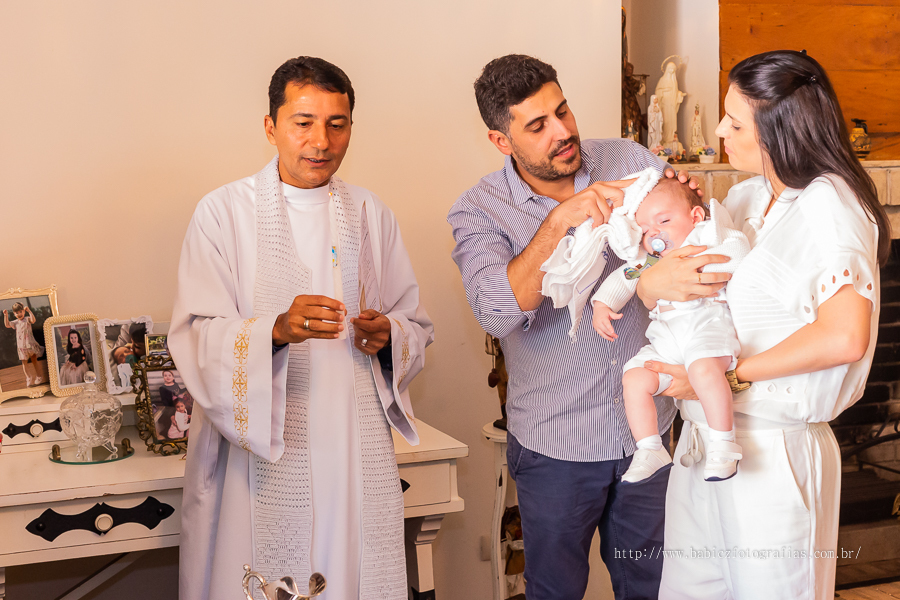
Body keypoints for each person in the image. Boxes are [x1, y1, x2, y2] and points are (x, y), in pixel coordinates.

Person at [168, 56, 433, 600]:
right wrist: (275, 331)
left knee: (348, 574)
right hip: (261, 449)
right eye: (303, 122)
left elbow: (415, 321)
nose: (321, 141)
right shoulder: (223, 213)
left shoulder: (370, 214)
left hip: (351, 444)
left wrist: (388, 337)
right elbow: (196, 334)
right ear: (271, 126)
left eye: (337, 124)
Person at [635, 50, 891, 599]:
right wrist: (652, 271)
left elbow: (846, 335)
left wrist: (724, 378)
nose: (722, 132)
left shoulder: (831, 205)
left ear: (779, 130)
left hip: (775, 452)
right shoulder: (748, 197)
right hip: (703, 440)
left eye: (735, 121)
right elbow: (685, 278)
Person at [448, 54, 700, 600]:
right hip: (555, 448)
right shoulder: (480, 210)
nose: (563, 131)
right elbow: (496, 310)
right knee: (555, 592)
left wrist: (688, 197)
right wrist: (560, 219)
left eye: (562, 110)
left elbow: (687, 244)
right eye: (537, 125)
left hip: (648, 433)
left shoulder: (627, 159)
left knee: (655, 588)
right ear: (501, 141)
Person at [590, 172, 750, 482]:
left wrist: (703, 263)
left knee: (705, 371)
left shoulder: (707, 240)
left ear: (695, 216)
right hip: (667, 340)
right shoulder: (652, 260)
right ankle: (650, 448)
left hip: (706, 327)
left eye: (663, 222)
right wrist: (603, 304)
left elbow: (738, 251)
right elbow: (624, 277)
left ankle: (723, 443)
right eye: (646, 229)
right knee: (635, 378)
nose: (654, 235)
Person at [3, 303, 44, 386]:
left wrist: (29, 311)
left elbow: (33, 320)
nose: (19, 314)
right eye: (17, 313)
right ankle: (28, 377)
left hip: (30, 344)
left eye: (20, 312)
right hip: (21, 346)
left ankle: (39, 376)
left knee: (34, 360)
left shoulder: (27, 319)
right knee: (24, 362)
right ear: (14, 314)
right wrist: (6, 315)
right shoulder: (16, 323)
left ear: (23, 312)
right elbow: (7, 325)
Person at [655, 60, 685, 145]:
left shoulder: (674, 81)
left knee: (672, 123)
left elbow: (676, 92)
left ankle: (672, 138)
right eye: (670, 69)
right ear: (667, 69)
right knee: (666, 123)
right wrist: (664, 91)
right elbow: (657, 92)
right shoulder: (662, 80)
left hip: (672, 105)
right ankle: (665, 139)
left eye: (673, 70)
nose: (672, 71)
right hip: (665, 105)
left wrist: (679, 94)